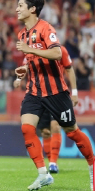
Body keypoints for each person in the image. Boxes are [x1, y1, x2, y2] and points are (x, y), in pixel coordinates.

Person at [15, 0, 95, 191]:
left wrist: (30, 50)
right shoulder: (22, 34)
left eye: (21, 5)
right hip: (34, 90)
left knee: (72, 132)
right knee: (27, 128)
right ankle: (43, 174)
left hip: (56, 92)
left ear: (32, 9)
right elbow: (32, 59)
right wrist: (24, 70)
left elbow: (57, 52)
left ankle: (94, 167)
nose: (17, 9)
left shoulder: (45, 28)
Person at [14, 44, 78, 174]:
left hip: (56, 94)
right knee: (45, 132)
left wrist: (75, 92)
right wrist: (18, 79)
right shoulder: (31, 50)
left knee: (56, 126)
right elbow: (25, 66)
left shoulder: (58, 50)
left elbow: (69, 69)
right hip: (38, 96)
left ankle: (53, 163)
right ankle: (50, 162)